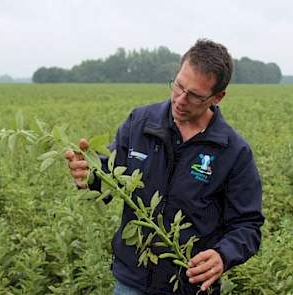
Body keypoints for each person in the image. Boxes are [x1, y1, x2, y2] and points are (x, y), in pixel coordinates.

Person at [65, 39, 264, 295]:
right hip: (132, 280)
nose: (180, 100)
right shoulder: (140, 122)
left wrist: (222, 255)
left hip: (188, 286)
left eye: (194, 95)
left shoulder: (233, 152)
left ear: (217, 97)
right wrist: (89, 173)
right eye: (178, 85)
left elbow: (248, 225)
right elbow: (112, 175)